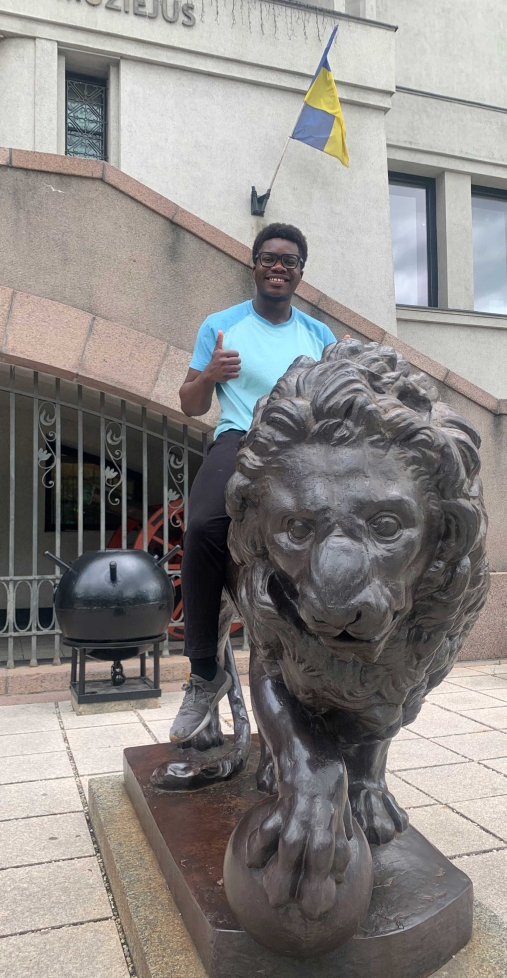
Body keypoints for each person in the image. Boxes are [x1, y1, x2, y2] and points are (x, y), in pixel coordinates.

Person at [170, 223, 336, 743]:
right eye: (269, 258)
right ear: (255, 266)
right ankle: (203, 673)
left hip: (302, 450)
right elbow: (190, 404)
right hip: (240, 439)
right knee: (200, 527)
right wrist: (209, 376)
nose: (278, 267)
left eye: (289, 261)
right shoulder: (222, 326)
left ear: (301, 273)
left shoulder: (318, 336)